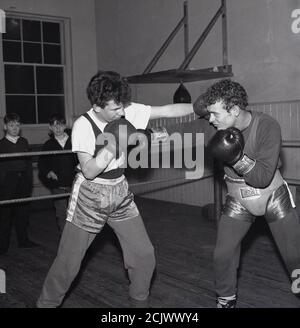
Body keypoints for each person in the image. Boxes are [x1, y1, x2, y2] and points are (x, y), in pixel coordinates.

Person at [36, 70, 194, 308]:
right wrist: (112, 144)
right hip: (90, 195)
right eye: (115, 109)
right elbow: (88, 170)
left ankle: (139, 305)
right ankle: (45, 305)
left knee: (144, 255)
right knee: (69, 262)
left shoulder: (124, 108)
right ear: (97, 106)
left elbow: (168, 110)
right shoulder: (83, 125)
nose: (121, 113)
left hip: (119, 191)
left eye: (122, 107)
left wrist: (203, 107)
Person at [193, 79, 300, 308]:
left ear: (234, 110)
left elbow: (261, 178)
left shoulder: (267, 126)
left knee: (295, 256)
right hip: (238, 199)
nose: (210, 119)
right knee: (223, 253)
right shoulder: (215, 125)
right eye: (208, 114)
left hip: (272, 195)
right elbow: (189, 127)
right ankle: (226, 300)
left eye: (215, 113)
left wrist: (236, 158)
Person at [0, 112, 38, 255]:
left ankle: (23, 240)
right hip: (7, 183)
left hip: (23, 181)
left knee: (23, 213)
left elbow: (28, 163)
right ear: (5, 127)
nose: (15, 128)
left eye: (17, 125)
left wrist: (29, 181)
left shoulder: (24, 142)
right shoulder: (1, 145)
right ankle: (3, 245)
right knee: (5, 215)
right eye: (11, 125)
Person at [38, 114, 77, 232]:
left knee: (75, 211)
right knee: (61, 212)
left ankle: (76, 238)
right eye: (54, 126)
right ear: (50, 128)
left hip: (74, 183)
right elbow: (42, 164)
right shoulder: (48, 145)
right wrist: (48, 171)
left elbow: (81, 158)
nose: (58, 128)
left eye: (60, 125)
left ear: (65, 125)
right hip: (57, 184)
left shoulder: (74, 141)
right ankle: (65, 239)